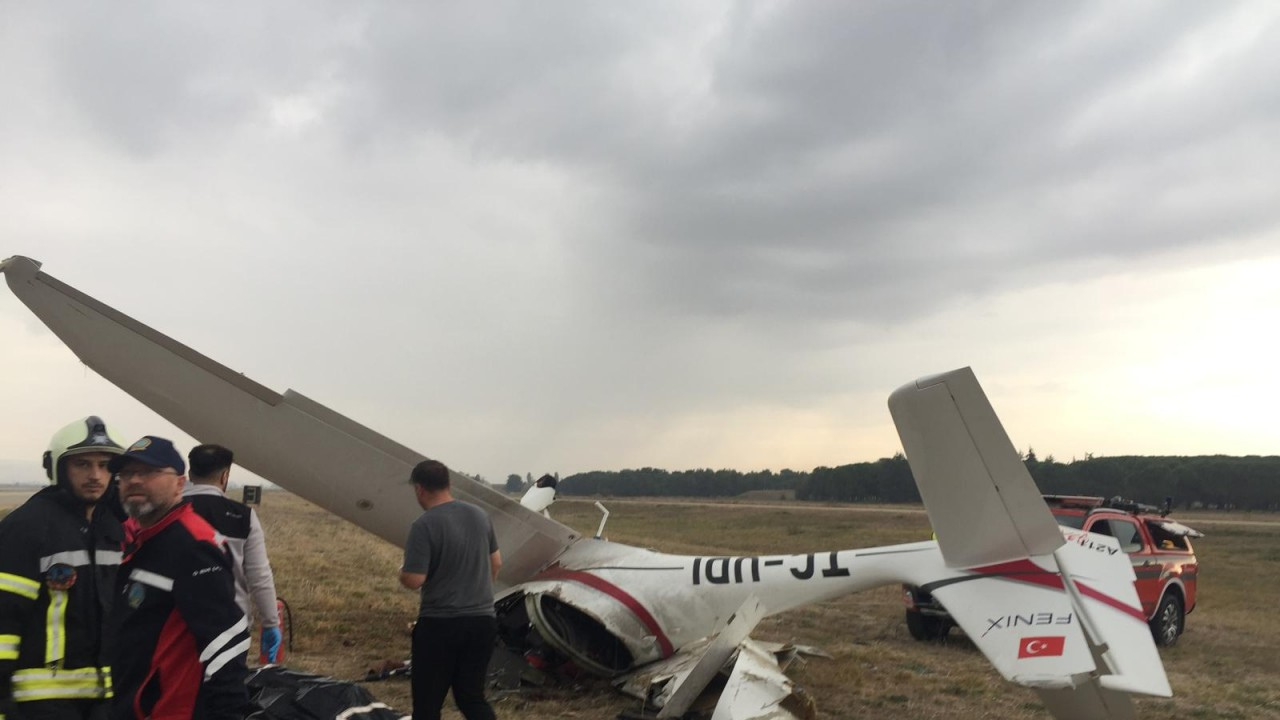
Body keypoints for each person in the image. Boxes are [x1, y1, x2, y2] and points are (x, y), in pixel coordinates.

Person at [106, 436, 250, 720]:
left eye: (149, 472)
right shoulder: (143, 540)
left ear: (180, 484)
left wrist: (229, 713)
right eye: (126, 474)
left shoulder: (193, 545)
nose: (134, 480)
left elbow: (225, 639)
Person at [0, 417, 125, 720]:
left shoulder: (118, 528)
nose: (95, 475)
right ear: (58, 468)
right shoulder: (26, 527)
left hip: (108, 700)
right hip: (42, 703)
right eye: (82, 464)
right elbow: (4, 621)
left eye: (105, 465)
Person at [399, 460, 501, 720]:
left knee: (427, 705)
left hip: (440, 626)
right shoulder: (480, 515)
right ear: (448, 484)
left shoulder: (423, 525)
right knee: (471, 697)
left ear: (419, 489)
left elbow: (414, 580)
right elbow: (496, 562)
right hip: (483, 622)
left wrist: (401, 571)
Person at [183, 444, 282, 664]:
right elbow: (259, 576)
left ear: (190, 474)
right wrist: (270, 623)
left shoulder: (170, 511)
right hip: (230, 627)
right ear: (225, 476)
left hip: (177, 625)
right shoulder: (243, 517)